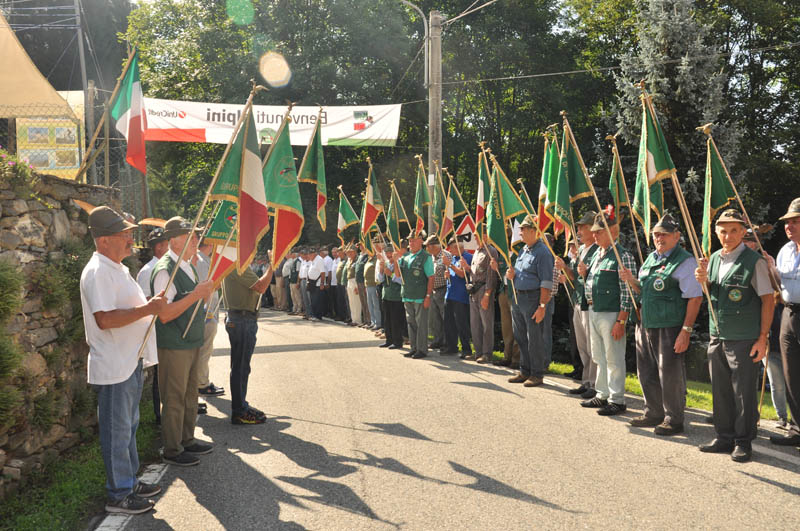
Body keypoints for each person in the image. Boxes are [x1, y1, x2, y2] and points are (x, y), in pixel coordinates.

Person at [80, 206, 166, 514]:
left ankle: (128, 481)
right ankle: (119, 494)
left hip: (127, 362)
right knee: (117, 432)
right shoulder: (98, 271)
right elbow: (104, 319)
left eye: (130, 233)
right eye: (124, 234)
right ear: (103, 240)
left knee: (128, 426)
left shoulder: (116, 267)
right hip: (114, 366)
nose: (131, 240)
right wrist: (148, 309)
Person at [695, 209, 774, 462]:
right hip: (718, 334)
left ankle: (743, 441)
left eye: (733, 230)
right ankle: (724, 436)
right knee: (721, 390)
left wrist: (762, 338)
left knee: (743, 392)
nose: (727, 235)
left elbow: (768, 300)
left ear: (742, 232)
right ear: (716, 232)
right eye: (723, 230)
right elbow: (713, 292)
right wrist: (703, 281)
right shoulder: (715, 258)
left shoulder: (755, 261)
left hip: (744, 337)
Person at [619, 213, 702, 435]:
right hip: (645, 324)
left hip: (670, 325)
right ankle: (653, 412)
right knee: (646, 371)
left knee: (670, 374)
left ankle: (674, 418)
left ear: (676, 236)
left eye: (664, 234)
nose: (659, 238)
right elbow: (645, 288)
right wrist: (632, 281)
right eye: (656, 234)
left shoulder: (685, 261)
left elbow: (695, 297)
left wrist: (685, 331)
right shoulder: (651, 258)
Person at [150, 216, 215, 467]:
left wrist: (203, 294)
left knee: (189, 395)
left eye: (196, 236)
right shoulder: (167, 269)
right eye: (191, 236)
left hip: (189, 340)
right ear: (175, 241)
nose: (196, 240)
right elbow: (164, 314)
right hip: (174, 343)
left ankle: (186, 439)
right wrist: (197, 294)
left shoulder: (185, 265)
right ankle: (172, 448)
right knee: (174, 397)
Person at [579, 211, 636, 416]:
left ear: (613, 231)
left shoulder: (623, 256)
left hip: (612, 313)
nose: (594, 236)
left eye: (599, 232)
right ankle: (602, 394)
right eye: (593, 232)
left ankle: (617, 399)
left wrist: (621, 319)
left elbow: (627, 292)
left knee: (614, 357)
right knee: (599, 356)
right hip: (594, 309)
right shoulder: (597, 254)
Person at [743, 229, 789, 430]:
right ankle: (780, 417)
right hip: (760, 330)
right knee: (774, 379)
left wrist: (772, 271)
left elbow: (779, 293)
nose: (746, 243)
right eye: (745, 239)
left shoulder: (766, 261)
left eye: (750, 240)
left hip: (783, 326)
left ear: (757, 242)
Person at [222, 259, 273, 424]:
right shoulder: (238, 266)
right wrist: (272, 266)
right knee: (241, 367)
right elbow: (261, 287)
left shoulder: (235, 264)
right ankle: (239, 410)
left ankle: (241, 405)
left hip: (241, 318)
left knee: (241, 366)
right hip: (242, 320)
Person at [506, 215, 554, 386]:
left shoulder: (543, 252)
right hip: (519, 297)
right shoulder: (523, 250)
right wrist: (511, 275)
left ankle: (537, 373)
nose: (521, 233)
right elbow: (519, 273)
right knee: (520, 336)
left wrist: (542, 306)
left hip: (533, 298)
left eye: (524, 229)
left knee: (534, 337)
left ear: (534, 231)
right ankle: (524, 370)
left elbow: (546, 282)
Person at [767, 197, 800, 447]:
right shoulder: (785, 250)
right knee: (791, 374)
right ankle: (797, 430)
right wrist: (770, 268)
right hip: (789, 314)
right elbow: (779, 284)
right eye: (788, 222)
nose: (790, 226)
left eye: (796, 221)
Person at [556, 211, 598, 398]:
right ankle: (586, 380)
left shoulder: (599, 250)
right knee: (582, 345)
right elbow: (574, 277)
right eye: (579, 227)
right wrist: (565, 268)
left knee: (592, 346)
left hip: (591, 303)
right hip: (578, 302)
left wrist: (585, 273)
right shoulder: (581, 250)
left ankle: (595, 384)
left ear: (593, 228)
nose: (579, 230)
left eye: (583, 227)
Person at [136, 227, 169, 424]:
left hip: (165, 327)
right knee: (160, 377)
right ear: (159, 247)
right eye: (167, 244)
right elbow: (144, 301)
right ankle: (160, 417)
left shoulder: (162, 267)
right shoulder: (148, 271)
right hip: (157, 328)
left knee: (164, 376)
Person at [393, 231, 434, 359]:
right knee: (411, 323)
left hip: (420, 295)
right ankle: (413, 348)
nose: (411, 243)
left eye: (414, 240)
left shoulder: (426, 257)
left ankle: (422, 349)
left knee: (421, 323)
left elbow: (431, 278)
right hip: (407, 294)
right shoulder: (405, 257)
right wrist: (395, 261)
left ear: (421, 241)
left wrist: (428, 296)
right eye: (410, 240)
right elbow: (398, 274)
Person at [194, 239, 225, 399]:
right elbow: (207, 286)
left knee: (206, 350)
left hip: (208, 312)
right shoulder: (200, 261)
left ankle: (202, 381)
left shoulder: (203, 260)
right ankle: (201, 384)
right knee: (204, 351)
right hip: (205, 313)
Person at [464, 232, 498, 363]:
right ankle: (478, 352)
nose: (475, 237)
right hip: (474, 290)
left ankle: (487, 353)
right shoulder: (477, 252)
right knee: (475, 324)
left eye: (477, 234)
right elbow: (475, 272)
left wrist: (487, 294)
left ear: (485, 235)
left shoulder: (491, 251)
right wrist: (467, 268)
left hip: (484, 289)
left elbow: (491, 275)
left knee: (486, 324)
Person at [442, 237, 472, 357]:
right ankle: (451, 346)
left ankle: (466, 349)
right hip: (450, 294)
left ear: (458, 247)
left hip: (461, 296)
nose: (450, 250)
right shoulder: (454, 258)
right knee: (449, 322)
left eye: (452, 248)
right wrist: (447, 274)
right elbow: (454, 274)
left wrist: (450, 266)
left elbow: (463, 274)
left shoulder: (467, 257)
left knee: (462, 323)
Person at [378, 243, 405, 349]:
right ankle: (389, 340)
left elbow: (401, 280)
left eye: (390, 252)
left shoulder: (399, 264)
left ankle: (398, 341)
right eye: (387, 253)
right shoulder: (386, 264)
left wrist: (391, 274)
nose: (389, 255)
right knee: (387, 320)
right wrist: (381, 269)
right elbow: (380, 280)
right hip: (386, 295)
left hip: (396, 296)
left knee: (396, 320)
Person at [426, 235, 450, 350]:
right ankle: (437, 340)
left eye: (428, 246)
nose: (426, 248)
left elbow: (449, 272)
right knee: (435, 318)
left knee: (444, 317)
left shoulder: (446, 255)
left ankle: (446, 341)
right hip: (433, 291)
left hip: (443, 289)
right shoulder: (430, 257)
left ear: (434, 246)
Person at [355, 243, 371, 327]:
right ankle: (365, 320)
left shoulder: (367, 256)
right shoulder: (360, 256)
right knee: (363, 302)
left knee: (367, 302)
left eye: (362, 245)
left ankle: (369, 321)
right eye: (360, 245)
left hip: (364, 282)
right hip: (358, 281)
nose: (361, 246)